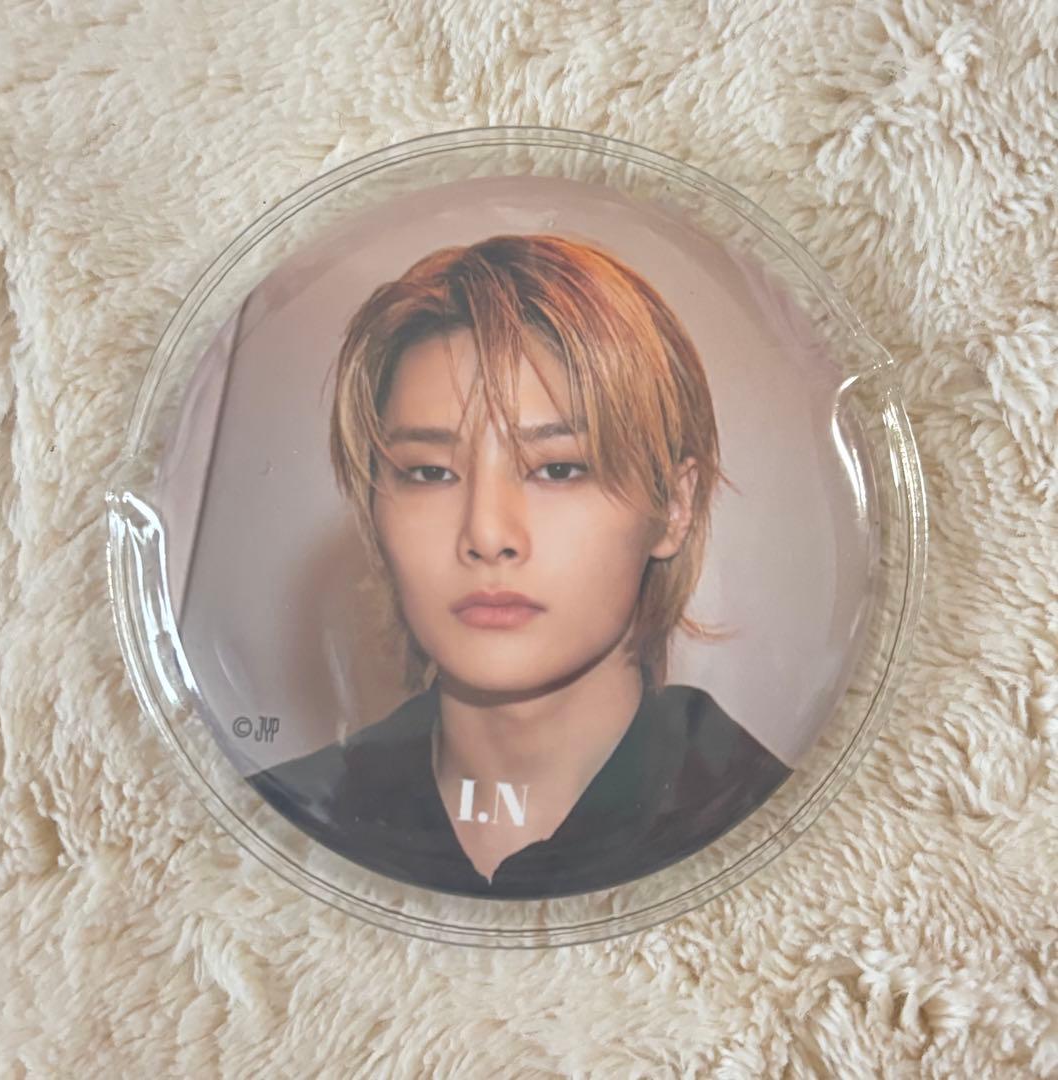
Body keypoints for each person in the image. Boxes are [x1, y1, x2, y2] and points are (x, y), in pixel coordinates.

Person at [246, 233, 790, 899]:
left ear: (673, 508)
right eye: (429, 472)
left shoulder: (797, 837)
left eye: (559, 469)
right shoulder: (254, 841)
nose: (487, 534)